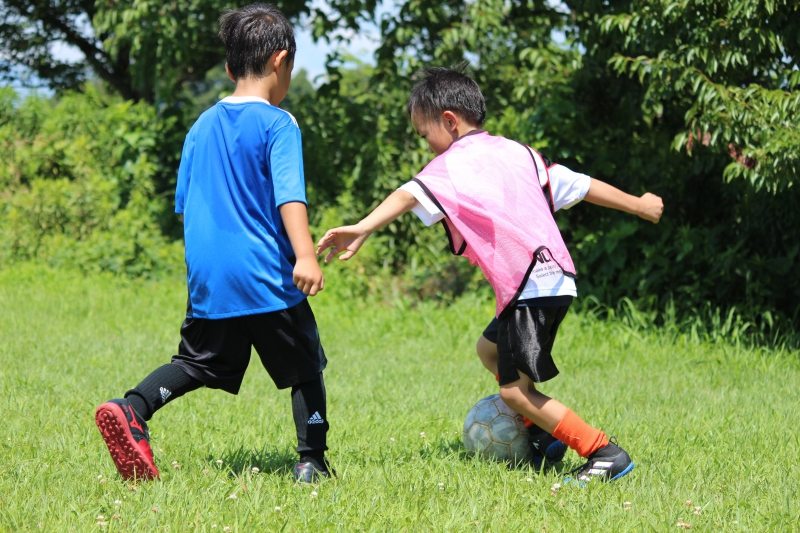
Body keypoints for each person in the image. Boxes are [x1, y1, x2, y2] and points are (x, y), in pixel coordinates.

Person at [317, 66, 663, 483]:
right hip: (553, 278)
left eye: (425, 135)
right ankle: (543, 433)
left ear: (449, 121)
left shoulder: (450, 165)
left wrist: (362, 227)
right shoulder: (518, 152)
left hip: (529, 286)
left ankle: (603, 452)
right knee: (488, 350)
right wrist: (639, 205)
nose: (427, 145)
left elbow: (408, 194)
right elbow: (580, 184)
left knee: (514, 392)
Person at [94, 3, 332, 484]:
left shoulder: (199, 127)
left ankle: (134, 407)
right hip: (265, 274)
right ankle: (312, 461)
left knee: (197, 363)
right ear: (281, 61)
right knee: (305, 365)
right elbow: (289, 195)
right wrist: (305, 255)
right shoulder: (279, 123)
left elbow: (188, 206)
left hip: (209, 278)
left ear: (228, 68)